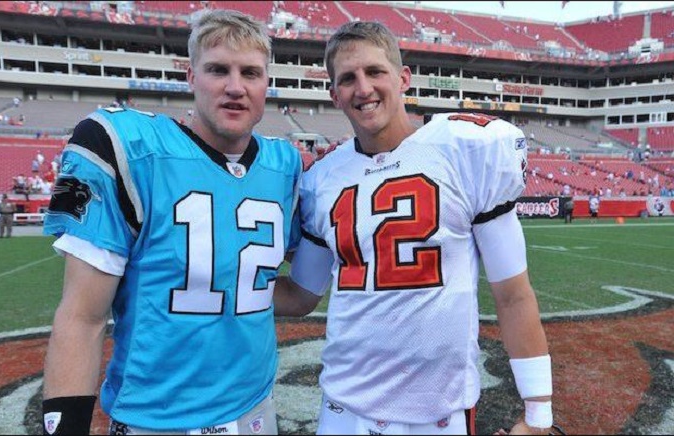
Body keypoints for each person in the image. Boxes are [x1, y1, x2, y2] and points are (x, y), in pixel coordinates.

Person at [274, 21, 556, 435]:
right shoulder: (322, 181)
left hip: (436, 413)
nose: (363, 88)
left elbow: (513, 296)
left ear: (403, 78)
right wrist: (213, 284)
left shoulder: (464, 150)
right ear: (334, 94)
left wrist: (539, 413)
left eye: (375, 72)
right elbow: (301, 294)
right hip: (343, 407)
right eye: (348, 78)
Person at [41, 9, 302, 435]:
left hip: (255, 411)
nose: (235, 87)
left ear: (266, 83)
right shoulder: (134, 151)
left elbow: (286, 290)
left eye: (250, 73)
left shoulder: (284, 165)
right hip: (156, 419)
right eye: (218, 69)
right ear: (191, 76)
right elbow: (82, 318)